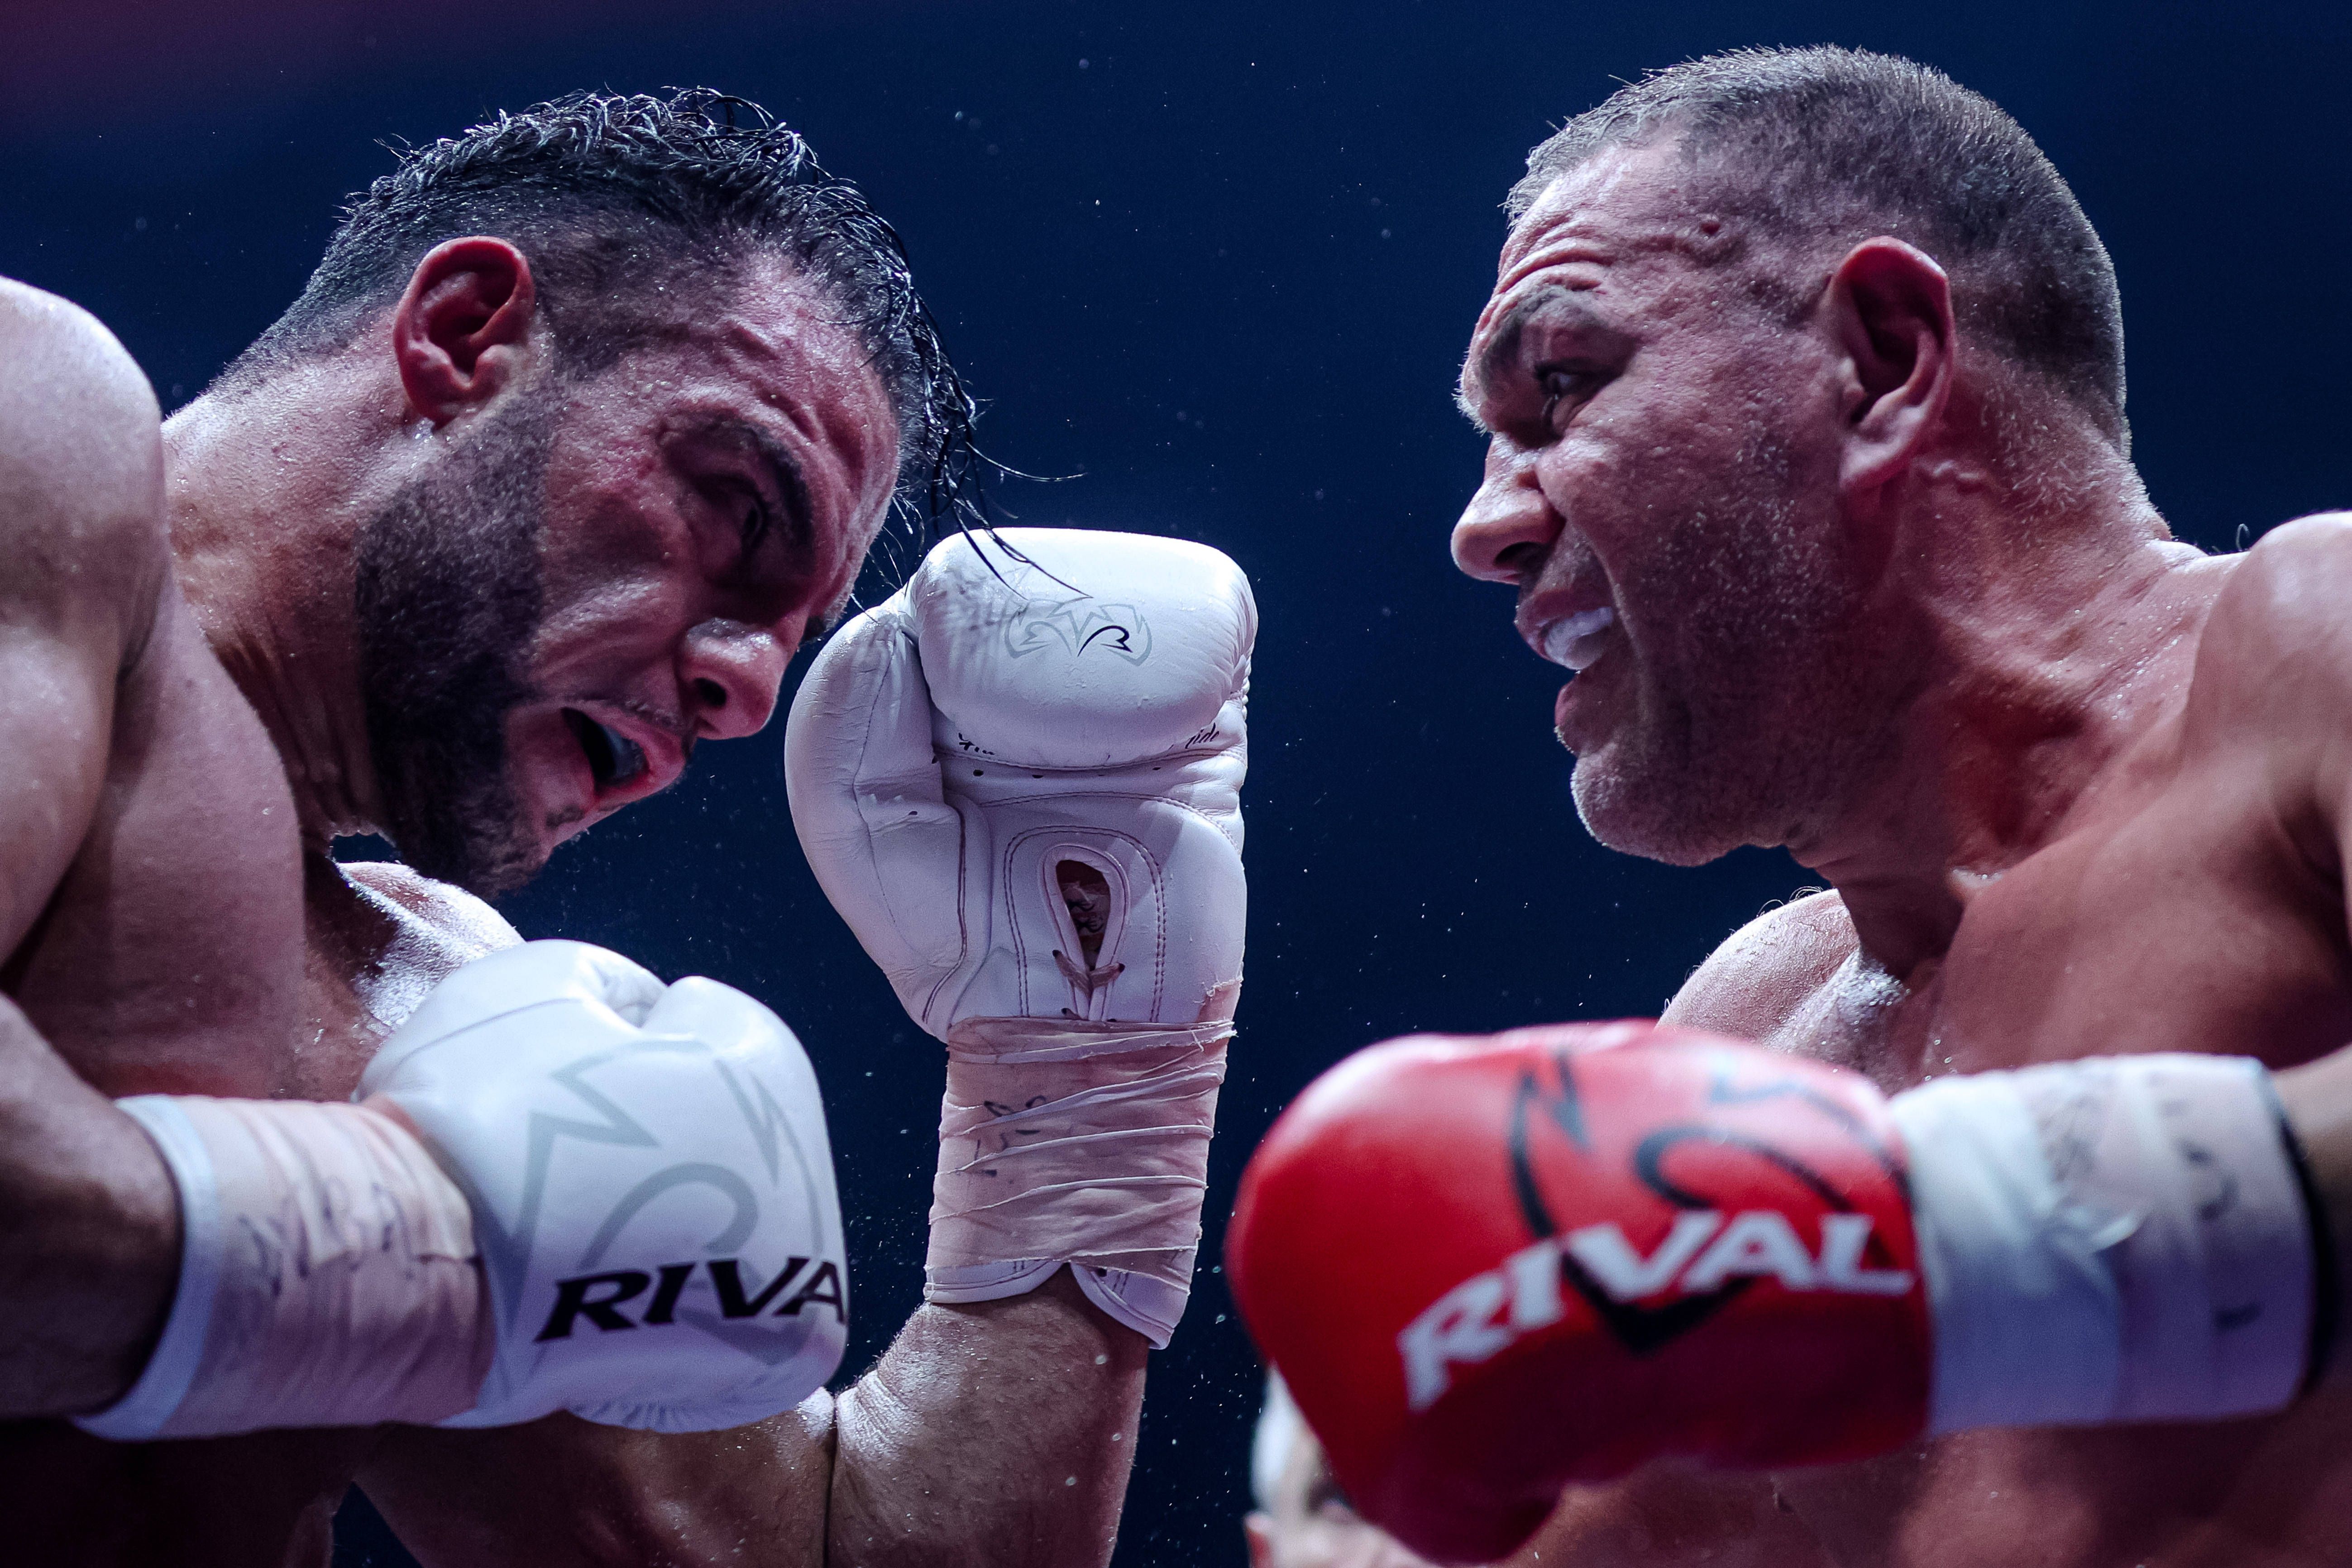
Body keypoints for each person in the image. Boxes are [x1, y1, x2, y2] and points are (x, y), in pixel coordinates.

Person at [0, 89, 1250, 1568]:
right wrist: (432, 1261)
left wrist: (1093, 1078)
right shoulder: (34, 418)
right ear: (465, 338)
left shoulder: (436, 1008)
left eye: (794, 635)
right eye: (736, 508)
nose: (745, 687)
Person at [1228, 45, 2352, 1568]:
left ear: (1881, 357)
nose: (1480, 527)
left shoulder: (2311, 642)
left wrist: (1936, 1237)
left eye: (1559, 385)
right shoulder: (1754, 1031)